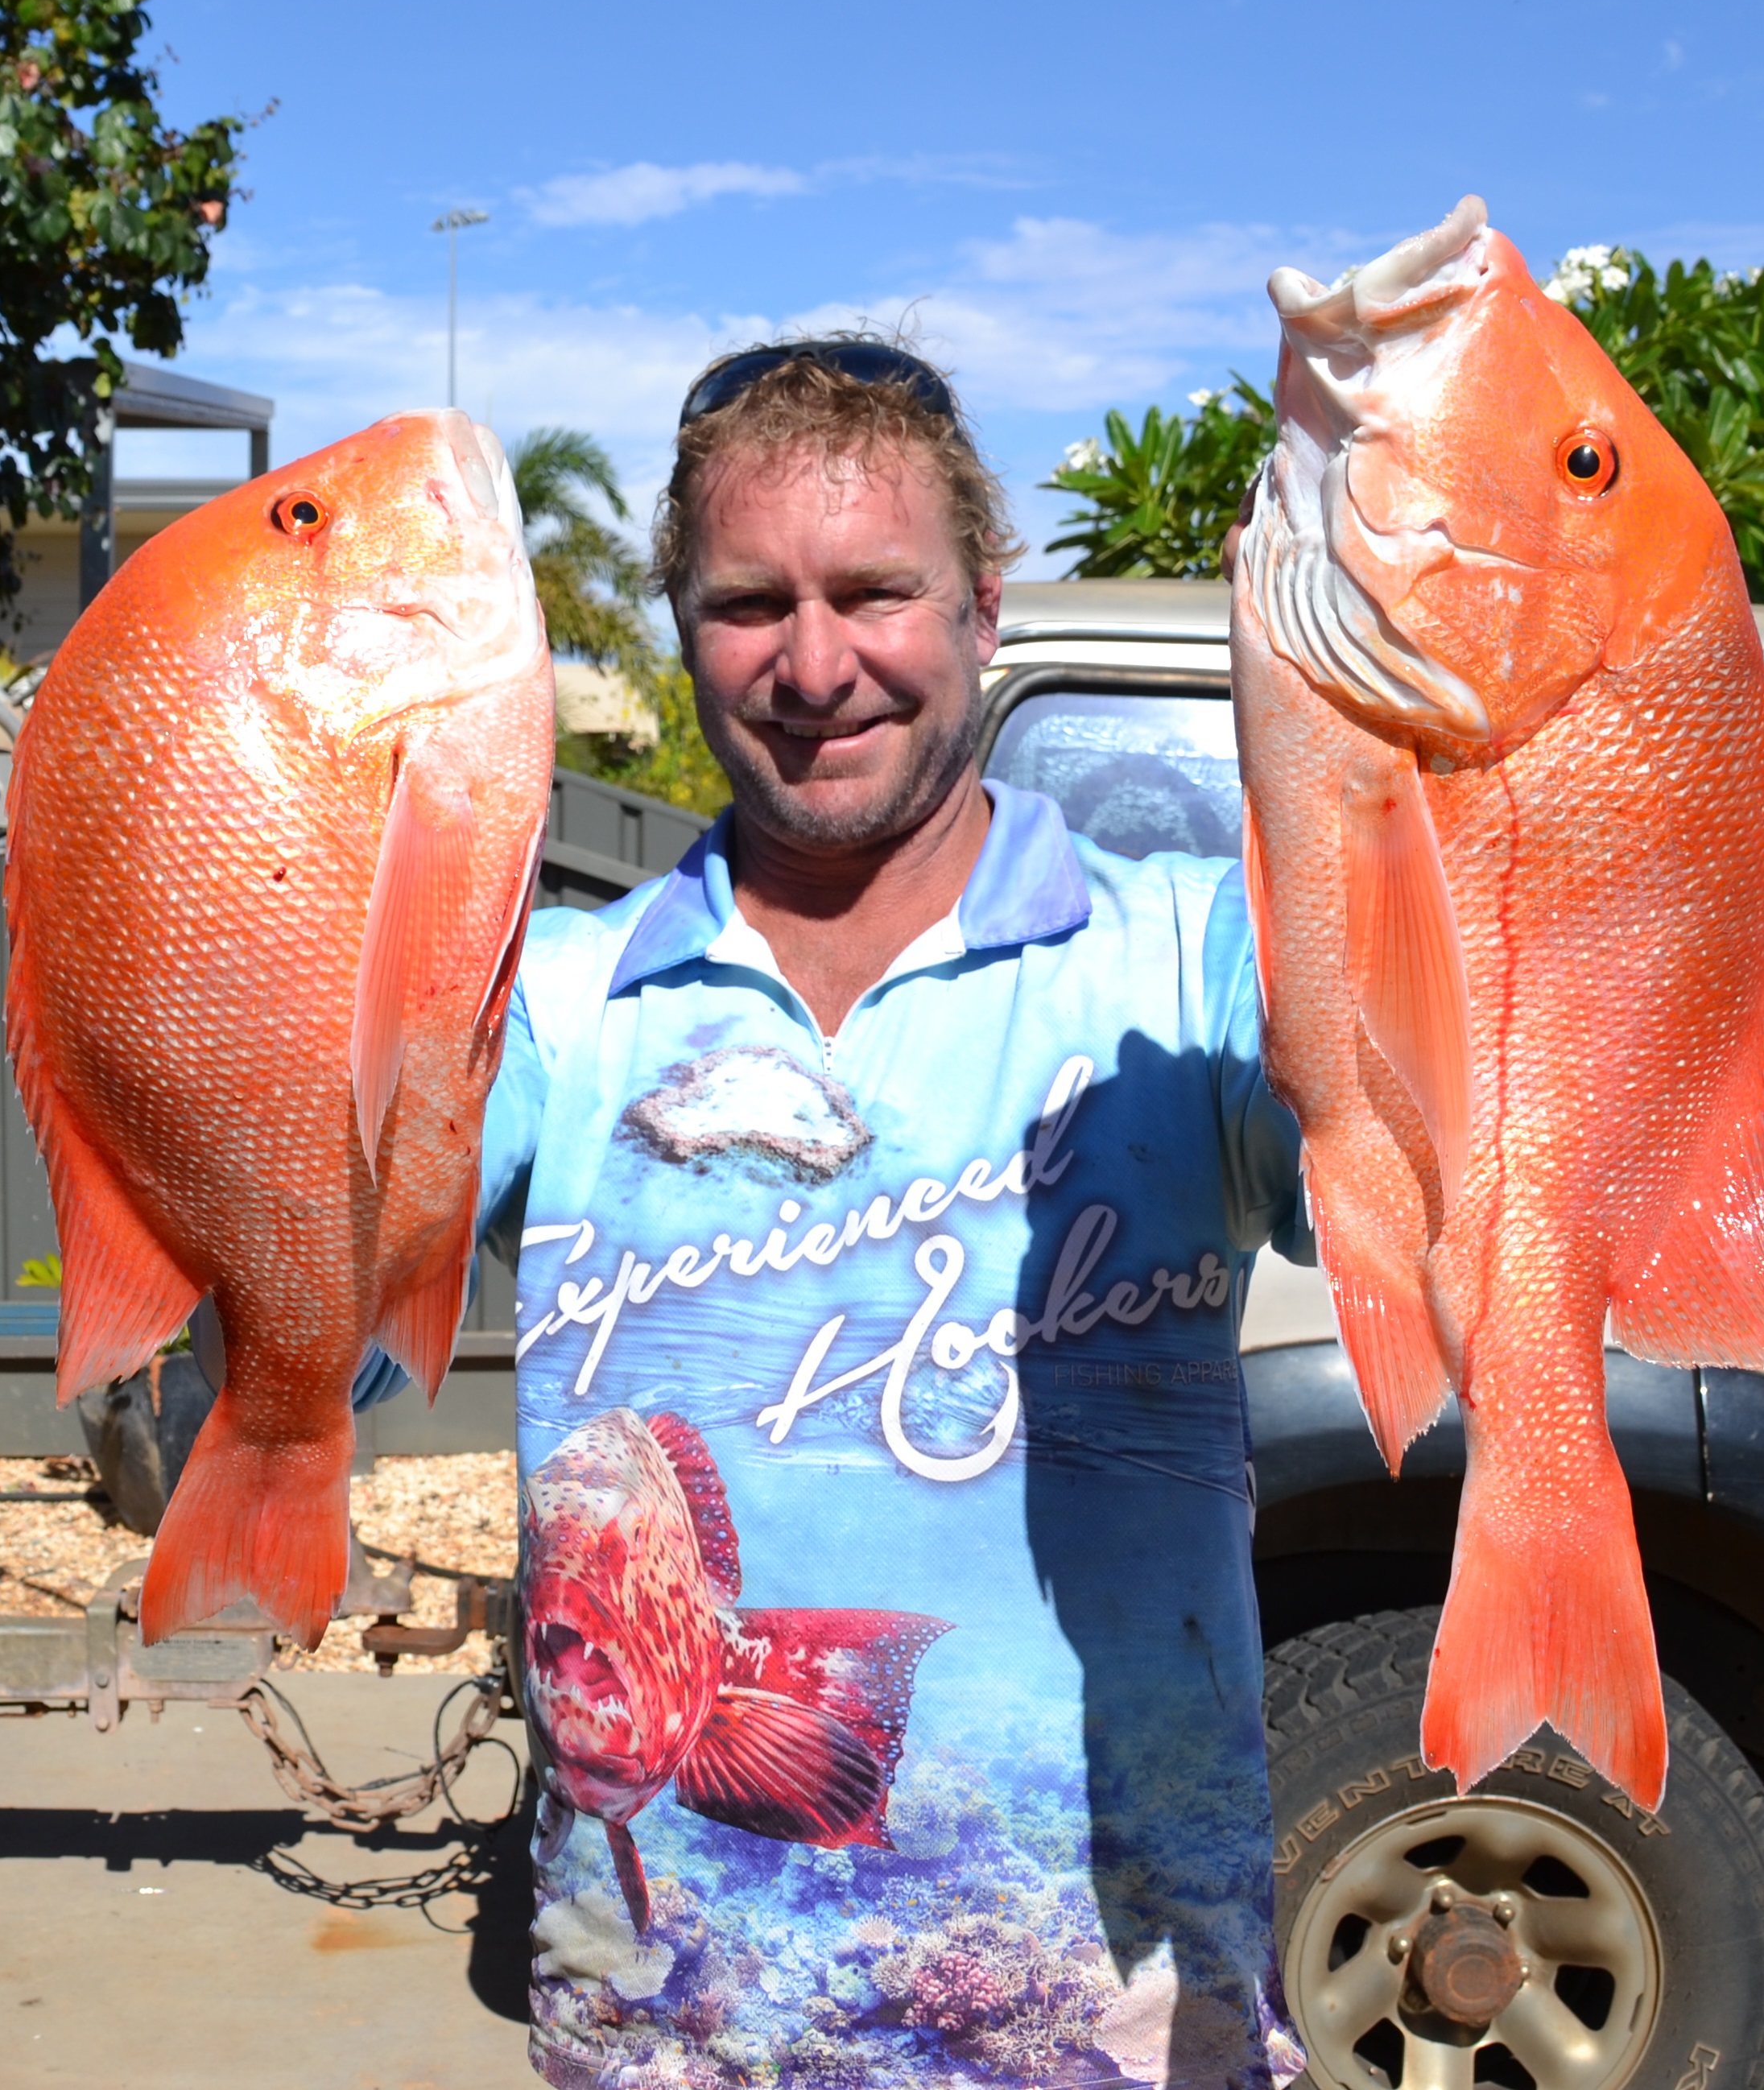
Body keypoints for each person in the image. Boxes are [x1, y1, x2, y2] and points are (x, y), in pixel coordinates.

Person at [367, 338, 1313, 2088]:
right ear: (678, 626)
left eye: (875, 590)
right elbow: (304, 1328)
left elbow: (1419, 1142)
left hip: (1116, 2036)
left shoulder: (1184, 960)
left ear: (982, 608)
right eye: (748, 604)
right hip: (664, 2039)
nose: (814, 667)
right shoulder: (556, 1011)